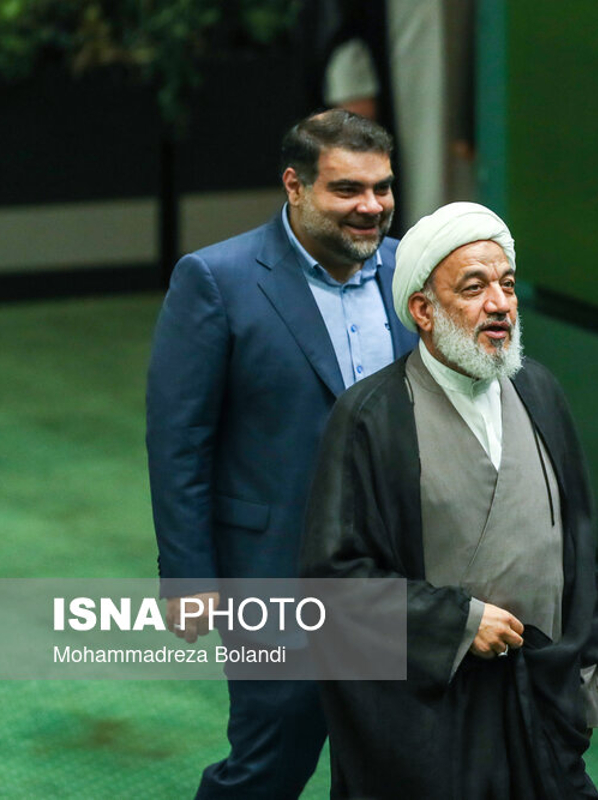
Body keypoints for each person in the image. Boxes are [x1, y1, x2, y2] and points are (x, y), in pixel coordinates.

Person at [300, 201, 598, 799]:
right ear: (423, 310)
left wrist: (587, 675)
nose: (499, 304)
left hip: (542, 704)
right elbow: (332, 586)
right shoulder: (371, 417)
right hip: (432, 724)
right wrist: (458, 623)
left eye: (507, 285)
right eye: (474, 289)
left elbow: (579, 545)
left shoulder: (540, 390)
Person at [146, 109, 418, 798]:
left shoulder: (413, 271)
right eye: (347, 189)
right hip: (274, 572)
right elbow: (180, 442)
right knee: (272, 760)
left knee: (392, 763)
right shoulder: (216, 279)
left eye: (382, 188)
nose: (371, 207)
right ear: (295, 186)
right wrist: (188, 576)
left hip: (398, 571)